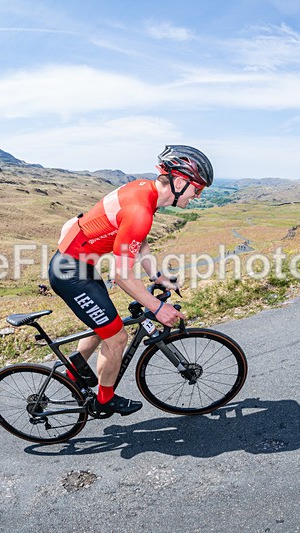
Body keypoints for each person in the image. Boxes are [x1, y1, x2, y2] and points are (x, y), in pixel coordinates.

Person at [48, 145, 212, 416]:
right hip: (71, 274)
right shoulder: (140, 210)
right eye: (198, 189)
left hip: (80, 266)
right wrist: (158, 308)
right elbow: (121, 276)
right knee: (117, 338)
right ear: (180, 182)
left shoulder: (144, 190)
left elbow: (137, 239)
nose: (196, 196)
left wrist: (156, 275)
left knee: (107, 322)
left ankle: (75, 368)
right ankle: (104, 400)